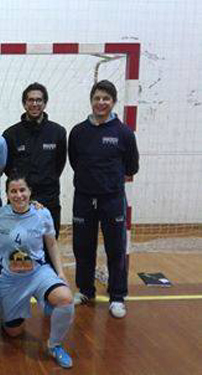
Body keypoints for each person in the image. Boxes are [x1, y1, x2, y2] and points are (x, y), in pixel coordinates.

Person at [0, 173, 74, 369]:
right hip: (9, 279)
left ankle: (55, 345)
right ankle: (14, 311)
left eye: (22, 190)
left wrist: (60, 273)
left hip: (38, 273)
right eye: (13, 191)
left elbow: (51, 244)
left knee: (65, 298)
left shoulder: (42, 213)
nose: (18, 195)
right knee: (13, 333)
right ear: (7, 194)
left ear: (30, 192)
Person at [69, 80, 139, 318]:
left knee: (116, 249)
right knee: (82, 247)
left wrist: (108, 183)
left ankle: (117, 296)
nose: (101, 103)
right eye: (97, 98)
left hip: (112, 200)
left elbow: (132, 167)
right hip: (83, 199)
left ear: (113, 102)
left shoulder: (124, 133)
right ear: (91, 100)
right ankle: (86, 290)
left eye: (106, 99)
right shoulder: (78, 132)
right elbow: (74, 161)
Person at [2, 82, 67, 239]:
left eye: (39, 100)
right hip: (20, 199)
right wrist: (22, 190)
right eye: (30, 100)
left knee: (49, 246)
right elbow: (7, 167)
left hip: (49, 199)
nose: (35, 104)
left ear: (45, 103)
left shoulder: (58, 132)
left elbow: (59, 164)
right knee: (18, 245)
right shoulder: (11, 134)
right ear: (24, 103)